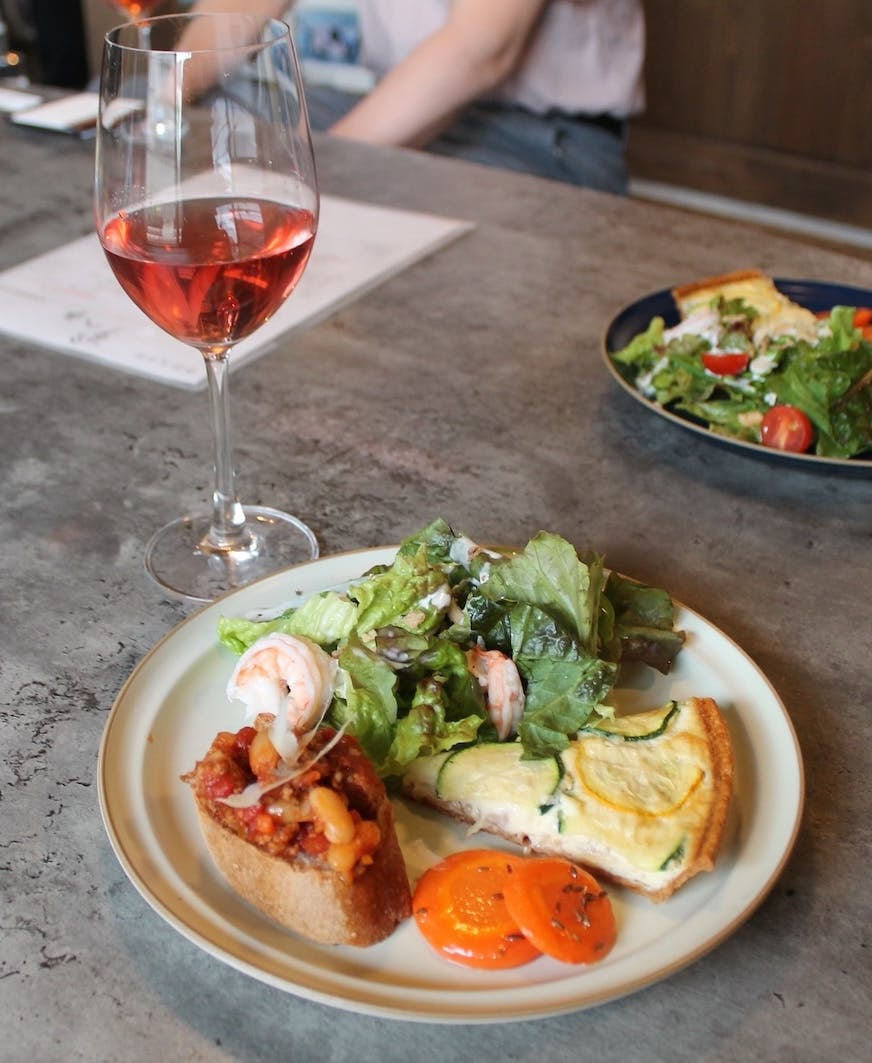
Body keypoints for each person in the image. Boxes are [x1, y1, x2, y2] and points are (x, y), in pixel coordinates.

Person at [195, 1, 646, 194]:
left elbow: (483, 50)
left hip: (537, 138)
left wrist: (302, 177)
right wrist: (163, 97)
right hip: (393, 101)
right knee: (212, 124)